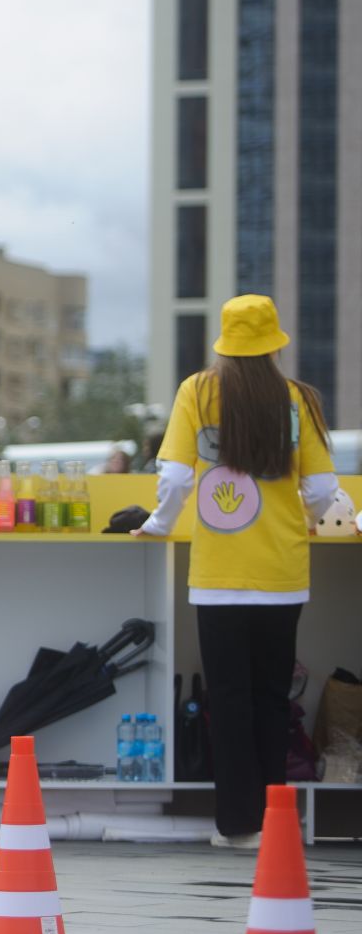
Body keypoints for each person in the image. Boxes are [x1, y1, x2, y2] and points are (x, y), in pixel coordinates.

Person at [134, 295, 336, 849]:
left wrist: (156, 524)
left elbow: (174, 479)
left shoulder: (197, 392)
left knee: (226, 698)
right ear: (274, 344)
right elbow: (321, 491)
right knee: (274, 698)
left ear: (223, 343)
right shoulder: (299, 400)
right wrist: (311, 519)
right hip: (283, 571)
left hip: (218, 574)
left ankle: (237, 826)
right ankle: (279, 821)